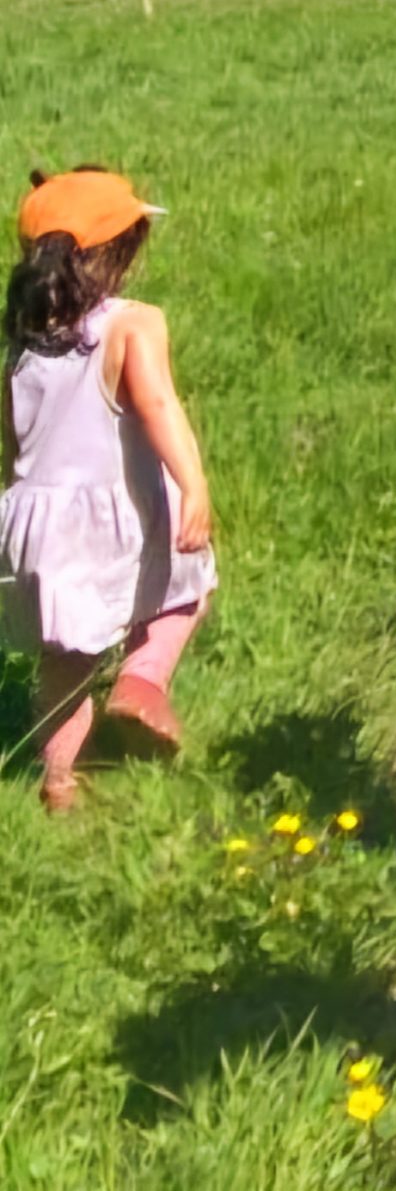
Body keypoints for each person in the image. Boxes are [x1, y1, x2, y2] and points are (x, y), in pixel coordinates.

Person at [1, 169, 213, 816]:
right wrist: (193, 482)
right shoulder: (133, 322)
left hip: (31, 520)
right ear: (115, 252)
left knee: (64, 661)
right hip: (111, 513)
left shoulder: (23, 340)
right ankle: (143, 683)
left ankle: (60, 781)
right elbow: (155, 401)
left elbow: (12, 439)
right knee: (187, 588)